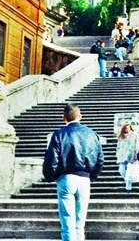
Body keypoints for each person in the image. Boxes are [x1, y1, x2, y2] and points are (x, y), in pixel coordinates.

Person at [43, 103, 104, 241]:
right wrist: (92, 176)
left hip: (66, 178)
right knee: (79, 223)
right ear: (80, 116)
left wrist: (50, 176)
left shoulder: (59, 134)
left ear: (63, 117)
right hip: (85, 178)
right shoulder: (92, 134)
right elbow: (100, 158)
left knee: (67, 222)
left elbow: (52, 159)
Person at [115, 124, 139, 191]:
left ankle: (128, 186)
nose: (127, 129)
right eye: (126, 128)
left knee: (129, 171)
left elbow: (137, 144)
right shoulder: (121, 136)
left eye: (128, 128)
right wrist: (118, 154)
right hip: (122, 156)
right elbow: (118, 146)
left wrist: (137, 154)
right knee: (121, 170)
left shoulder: (134, 135)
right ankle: (128, 181)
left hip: (130, 155)